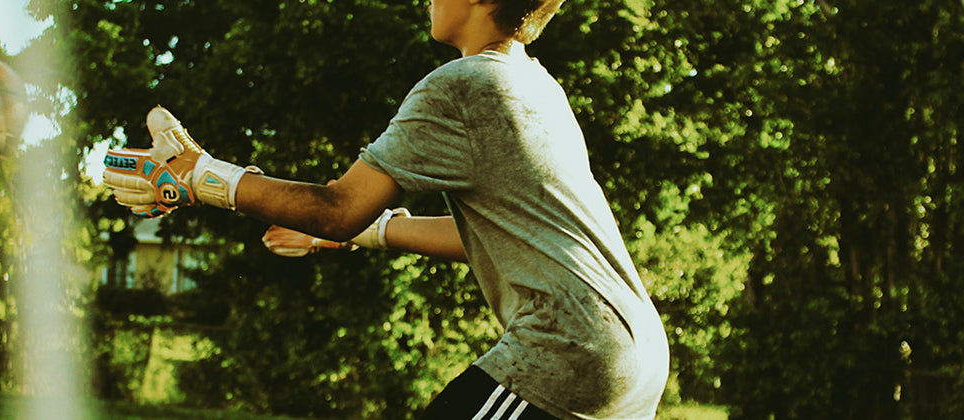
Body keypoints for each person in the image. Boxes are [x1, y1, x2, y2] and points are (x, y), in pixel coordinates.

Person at [99, 0, 669, 417]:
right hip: (637, 353)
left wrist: (200, 175)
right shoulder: (539, 87)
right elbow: (492, 232)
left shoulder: (463, 84)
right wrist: (367, 234)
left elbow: (337, 206)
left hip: (568, 350)